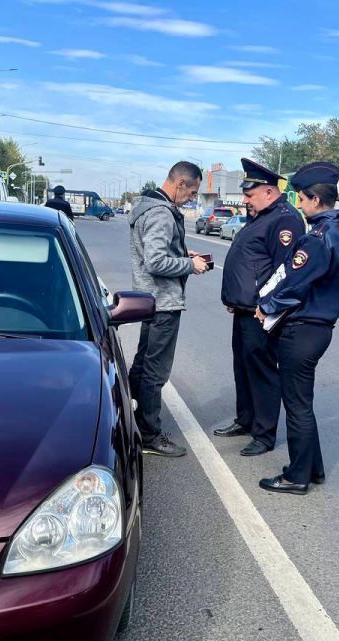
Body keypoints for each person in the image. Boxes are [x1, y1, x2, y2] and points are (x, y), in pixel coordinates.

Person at [254, 161, 339, 495]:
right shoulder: (331, 233)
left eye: (299, 198)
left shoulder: (318, 239)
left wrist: (264, 307)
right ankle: (313, 469)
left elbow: (294, 285)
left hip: (303, 331)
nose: (297, 204)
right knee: (302, 402)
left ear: (313, 199)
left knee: (296, 405)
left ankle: (296, 477)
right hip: (315, 331)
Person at [214, 158, 305, 457]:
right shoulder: (261, 215)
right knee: (242, 367)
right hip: (244, 309)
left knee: (262, 372)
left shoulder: (285, 219)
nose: (245, 199)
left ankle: (264, 434)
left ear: (268, 191)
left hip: (261, 313)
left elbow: (284, 272)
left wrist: (266, 307)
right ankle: (245, 420)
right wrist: (235, 299)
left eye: (249, 194)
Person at [128, 161, 210, 457]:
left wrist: (181, 252)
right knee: (155, 370)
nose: (192, 198)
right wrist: (190, 265)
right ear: (179, 184)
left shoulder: (147, 207)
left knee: (142, 362)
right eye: (192, 192)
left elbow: (157, 252)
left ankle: (131, 420)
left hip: (148, 299)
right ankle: (150, 434)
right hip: (163, 301)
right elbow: (155, 261)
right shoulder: (162, 213)